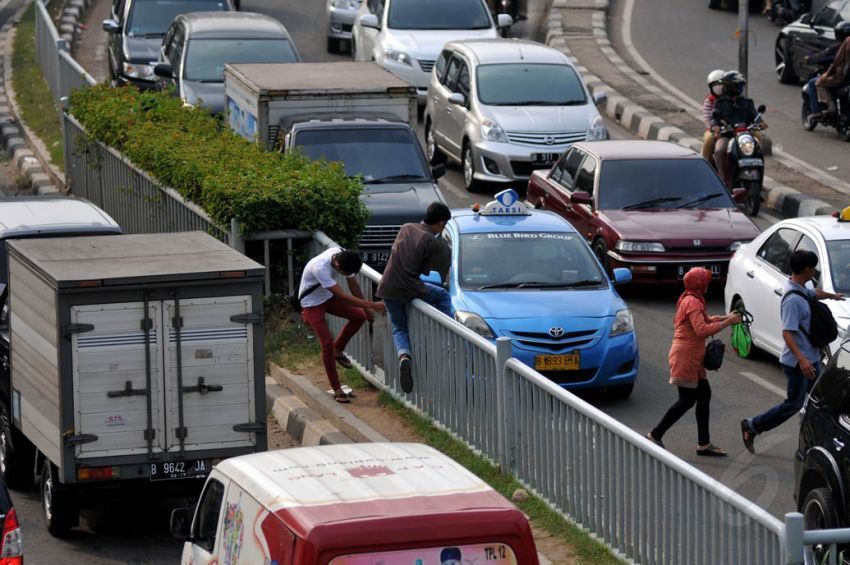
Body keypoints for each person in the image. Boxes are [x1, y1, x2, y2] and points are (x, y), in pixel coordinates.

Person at [741, 250, 844, 453]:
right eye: (813, 267)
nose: (815, 270)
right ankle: (753, 425)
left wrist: (832, 296)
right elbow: (788, 333)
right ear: (806, 269)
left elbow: (813, 293)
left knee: (822, 400)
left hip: (810, 358)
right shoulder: (792, 300)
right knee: (794, 404)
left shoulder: (800, 287)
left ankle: (817, 440)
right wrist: (802, 360)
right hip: (798, 363)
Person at [646, 268, 742, 456]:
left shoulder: (690, 298)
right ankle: (655, 434)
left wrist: (726, 317)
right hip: (686, 357)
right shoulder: (693, 302)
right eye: (706, 281)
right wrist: (728, 323)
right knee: (687, 400)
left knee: (703, 395)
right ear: (701, 284)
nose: (708, 284)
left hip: (691, 356)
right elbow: (702, 330)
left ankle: (703, 444)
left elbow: (704, 321)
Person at [376, 202, 453, 394]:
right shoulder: (431, 241)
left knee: (399, 327)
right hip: (409, 288)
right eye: (443, 226)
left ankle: (404, 357)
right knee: (442, 295)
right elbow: (424, 271)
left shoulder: (406, 227)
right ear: (441, 223)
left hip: (387, 287)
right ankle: (449, 334)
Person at [299, 248, 386, 403]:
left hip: (327, 298)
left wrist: (365, 310)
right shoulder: (320, 267)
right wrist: (372, 305)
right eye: (345, 274)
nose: (347, 276)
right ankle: (337, 388)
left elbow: (353, 285)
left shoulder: (342, 255)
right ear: (337, 266)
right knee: (326, 344)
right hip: (311, 305)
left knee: (358, 317)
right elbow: (343, 296)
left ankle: (337, 349)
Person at [711, 71, 766, 188]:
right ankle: (723, 182)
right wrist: (715, 126)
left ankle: (760, 183)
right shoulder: (720, 102)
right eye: (725, 86)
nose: (725, 88)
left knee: (758, 151)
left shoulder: (747, 103)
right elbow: (715, 116)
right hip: (727, 135)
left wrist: (760, 123)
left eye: (728, 86)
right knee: (719, 151)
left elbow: (755, 116)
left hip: (746, 135)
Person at [815, 23, 850, 115]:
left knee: (819, 83)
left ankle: (831, 108)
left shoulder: (847, 41)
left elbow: (837, 60)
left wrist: (827, 74)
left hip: (844, 77)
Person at [701, 69, 726, 167]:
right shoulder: (709, 100)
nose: (718, 87)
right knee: (708, 139)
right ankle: (705, 164)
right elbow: (707, 117)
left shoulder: (731, 98)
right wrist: (712, 128)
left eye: (720, 84)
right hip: (714, 129)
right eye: (715, 84)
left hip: (731, 128)